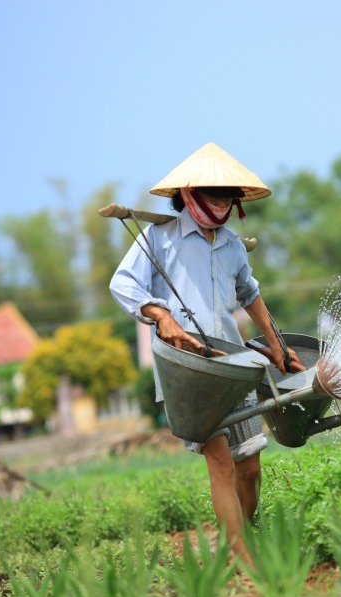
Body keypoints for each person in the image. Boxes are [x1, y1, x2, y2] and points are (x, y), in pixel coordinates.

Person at [109, 142, 295, 568]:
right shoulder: (160, 238)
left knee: (250, 468)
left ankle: (241, 541)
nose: (220, 204)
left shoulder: (231, 245)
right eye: (211, 195)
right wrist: (160, 315)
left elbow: (251, 294)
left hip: (233, 364)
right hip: (187, 368)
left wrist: (279, 348)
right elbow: (122, 284)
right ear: (189, 195)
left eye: (226, 196)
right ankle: (245, 562)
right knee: (221, 464)